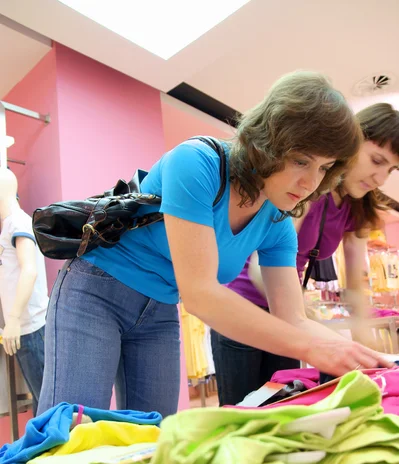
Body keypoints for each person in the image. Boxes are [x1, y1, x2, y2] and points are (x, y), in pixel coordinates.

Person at [38, 71, 392, 417]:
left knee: (151, 436)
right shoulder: (197, 162)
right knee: (66, 434)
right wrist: (316, 349)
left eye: (323, 168)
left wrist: (363, 359)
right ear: (270, 141)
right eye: (301, 160)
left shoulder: (278, 221)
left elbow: (294, 319)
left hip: (161, 308)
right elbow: (202, 294)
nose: (310, 182)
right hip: (95, 292)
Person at [213, 103, 399, 405]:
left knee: (280, 406)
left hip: (287, 314)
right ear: (350, 143)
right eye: (376, 161)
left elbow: (355, 292)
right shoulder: (309, 189)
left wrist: (371, 363)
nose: (380, 178)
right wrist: (311, 322)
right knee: (242, 411)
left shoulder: (358, 209)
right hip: (244, 306)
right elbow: (261, 271)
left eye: (390, 170)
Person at [0, 168, 48, 416]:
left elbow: (29, 271)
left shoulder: (18, 223)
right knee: (42, 402)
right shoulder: (10, 225)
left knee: (48, 404)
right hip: (24, 331)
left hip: (32, 327)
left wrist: (15, 320)